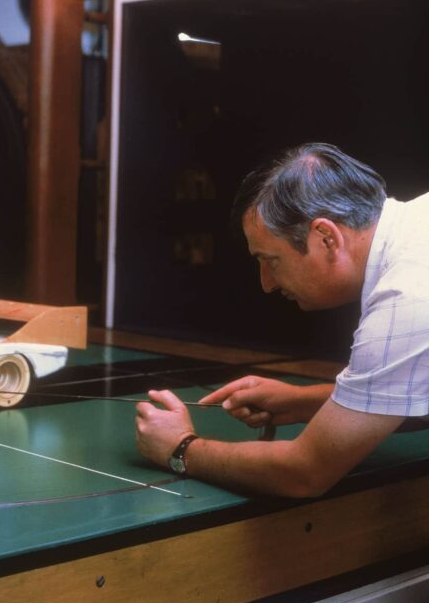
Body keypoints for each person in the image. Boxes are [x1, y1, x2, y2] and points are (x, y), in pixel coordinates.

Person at [135, 143, 429, 497]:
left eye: (270, 260)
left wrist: (181, 448)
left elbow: (305, 472)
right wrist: (301, 401)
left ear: (326, 238)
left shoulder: (406, 297)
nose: (266, 283)